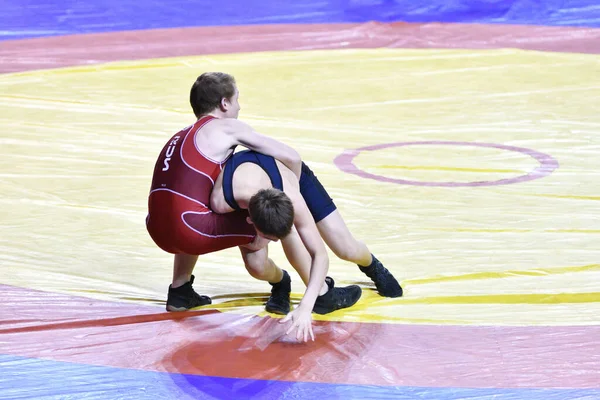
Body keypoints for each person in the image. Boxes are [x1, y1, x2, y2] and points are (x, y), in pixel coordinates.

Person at [146, 72, 359, 339]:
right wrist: (290, 187)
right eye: (237, 100)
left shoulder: (180, 136)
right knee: (274, 216)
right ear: (224, 104)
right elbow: (291, 155)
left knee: (193, 206)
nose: (239, 107)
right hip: (191, 229)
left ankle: (179, 290)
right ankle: (299, 287)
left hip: (157, 227)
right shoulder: (227, 127)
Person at [211, 150, 403, 319]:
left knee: (345, 248)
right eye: (271, 238)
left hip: (292, 177)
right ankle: (281, 282)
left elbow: (319, 253)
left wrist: (306, 306)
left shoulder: (293, 198)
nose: (274, 241)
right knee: (256, 266)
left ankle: (371, 266)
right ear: (250, 221)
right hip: (248, 192)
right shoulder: (221, 201)